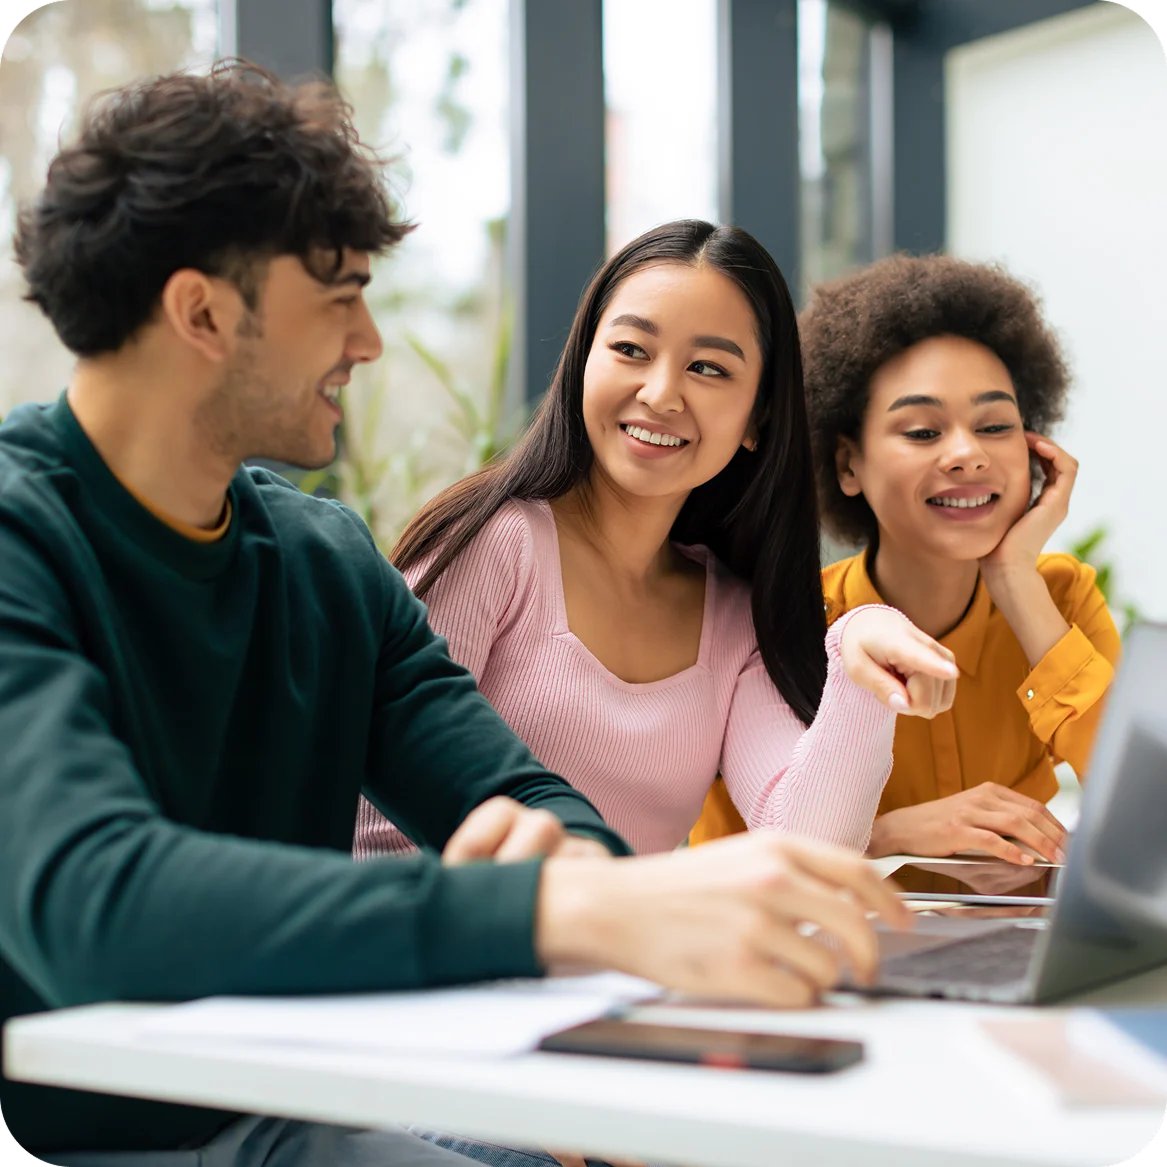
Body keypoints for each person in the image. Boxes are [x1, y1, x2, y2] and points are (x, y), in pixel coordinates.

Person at [0, 60, 915, 1167]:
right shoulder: (21, 539)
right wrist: (551, 916)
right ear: (202, 312)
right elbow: (95, 900)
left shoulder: (321, 559)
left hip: (273, 1115)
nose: (368, 340)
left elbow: (522, 796)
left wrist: (574, 875)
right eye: (338, 294)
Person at [354, 219, 960, 867]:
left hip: (624, 963)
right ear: (583, 361)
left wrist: (859, 658)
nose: (660, 393)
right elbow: (371, 832)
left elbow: (805, 842)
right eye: (630, 350)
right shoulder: (491, 544)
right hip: (455, 956)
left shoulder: (733, 615)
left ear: (757, 417)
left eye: (707, 367)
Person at [690, 254, 1120, 867]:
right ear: (847, 465)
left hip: (1024, 953)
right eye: (922, 432)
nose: (968, 455)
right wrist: (884, 837)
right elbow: (725, 864)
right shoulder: (783, 624)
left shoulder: (1061, 598)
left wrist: (1016, 582)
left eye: (995, 425)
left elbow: (1150, 809)